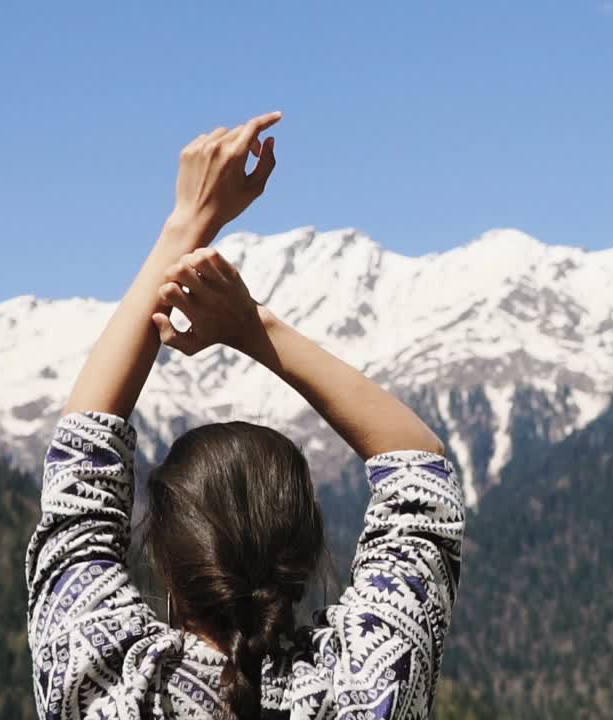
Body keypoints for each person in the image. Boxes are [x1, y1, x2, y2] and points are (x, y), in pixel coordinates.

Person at [25, 111, 465, 720]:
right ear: (307, 552)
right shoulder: (369, 685)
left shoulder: (109, 683)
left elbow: (78, 471)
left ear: (170, 568)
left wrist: (188, 221)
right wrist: (255, 327)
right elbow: (420, 474)